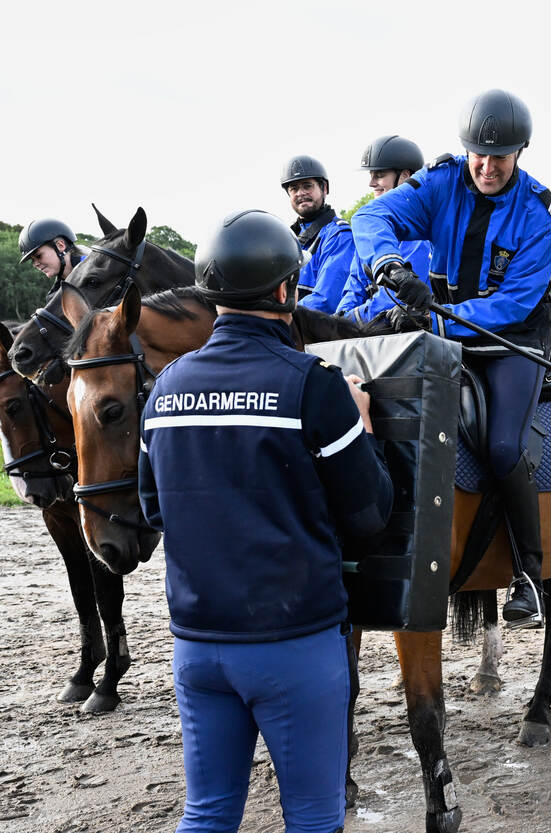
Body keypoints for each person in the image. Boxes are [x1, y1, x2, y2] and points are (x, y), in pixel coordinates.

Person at [137, 209, 394, 833]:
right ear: (285, 292)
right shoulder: (314, 383)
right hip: (294, 645)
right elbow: (369, 516)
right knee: (311, 817)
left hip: (196, 646)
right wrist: (359, 427)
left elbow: (153, 510)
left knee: (206, 814)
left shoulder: (165, 387)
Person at [353, 89, 551, 629]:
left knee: (500, 446)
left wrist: (438, 320)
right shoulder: (442, 181)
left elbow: (513, 301)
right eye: (478, 153)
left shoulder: (543, 215)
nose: (487, 167)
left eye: (500, 157)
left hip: (510, 340)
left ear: (522, 152)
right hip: (442, 327)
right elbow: (372, 218)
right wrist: (390, 264)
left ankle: (529, 577)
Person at [336, 136, 434, 326]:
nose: (371, 183)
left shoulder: (419, 236)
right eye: (371, 175)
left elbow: (395, 297)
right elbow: (354, 287)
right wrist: (339, 318)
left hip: (406, 331)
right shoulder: (368, 233)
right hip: (372, 331)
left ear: (405, 176)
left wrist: (350, 321)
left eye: (379, 175)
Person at [281, 154, 356, 314]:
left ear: (324, 188)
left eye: (307, 186)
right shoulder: (286, 238)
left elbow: (327, 301)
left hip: (314, 332)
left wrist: (279, 316)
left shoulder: (339, 235)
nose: (300, 193)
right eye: (294, 188)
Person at [18, 218, 85, 295]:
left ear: (60, 245)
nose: (35, 264)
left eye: (39, 256)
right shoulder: (53, 295)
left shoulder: (98, 273)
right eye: (32, 260)